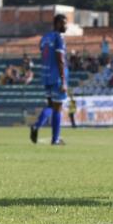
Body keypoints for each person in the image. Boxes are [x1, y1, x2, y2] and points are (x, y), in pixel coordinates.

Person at [30, 14, 69, 145]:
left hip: (46, 76)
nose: (66, 26)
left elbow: (44, 53)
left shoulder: (45, 38)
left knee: (50, 106)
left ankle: (36, 126)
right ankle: (55, 139)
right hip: (57, 76)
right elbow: (60, 59)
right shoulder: (59, 38)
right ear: (57, 23)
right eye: (64, 23)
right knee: (58, 108)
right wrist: (63, 80)